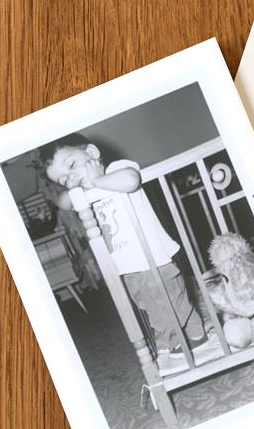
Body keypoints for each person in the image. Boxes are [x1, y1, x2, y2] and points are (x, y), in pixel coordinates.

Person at [37, 133, 208, 372]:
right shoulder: (81, 191)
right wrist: (74, 188)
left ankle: (179, 340)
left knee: (168, 301)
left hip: (154, 258)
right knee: (150, 303)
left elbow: (130, 180)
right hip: (126, 266)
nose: (71, 178)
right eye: (63, 179)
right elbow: (64, 202)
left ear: (93, 153)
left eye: (72, 165)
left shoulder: (116, 170)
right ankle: (193, 332)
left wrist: (98, 180)